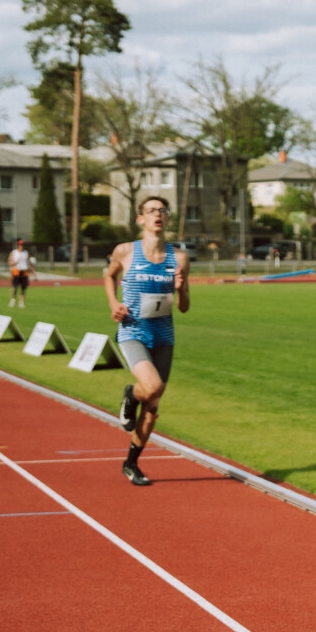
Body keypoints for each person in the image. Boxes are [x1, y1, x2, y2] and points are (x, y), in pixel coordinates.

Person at [104, 196, 190, 487]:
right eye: (152, 211)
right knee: (152, 387)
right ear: (140, 219)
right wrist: (113, 301)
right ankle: (131, 393)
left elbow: (185, 306)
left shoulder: (178, 258)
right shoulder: (125, 251)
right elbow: (109, 276)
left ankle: (131, 463)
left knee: (152, 409)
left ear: (167, 219)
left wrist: (180, 289)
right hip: (133, 331)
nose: (158, 215)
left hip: (164, 336)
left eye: (163, 211)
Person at [8, 239, 33, 308]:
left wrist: (31, 270)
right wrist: (13, 263)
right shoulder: (14, 252)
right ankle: (13, 299)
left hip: (24, 271)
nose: (21, 246)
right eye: (20, 245)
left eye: (22, 245)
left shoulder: (26, 253)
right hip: (16, 270)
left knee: (23, 288)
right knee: (14, 287)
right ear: (18, 245)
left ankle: (21, 302)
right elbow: (9, 262)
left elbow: (29, 262)